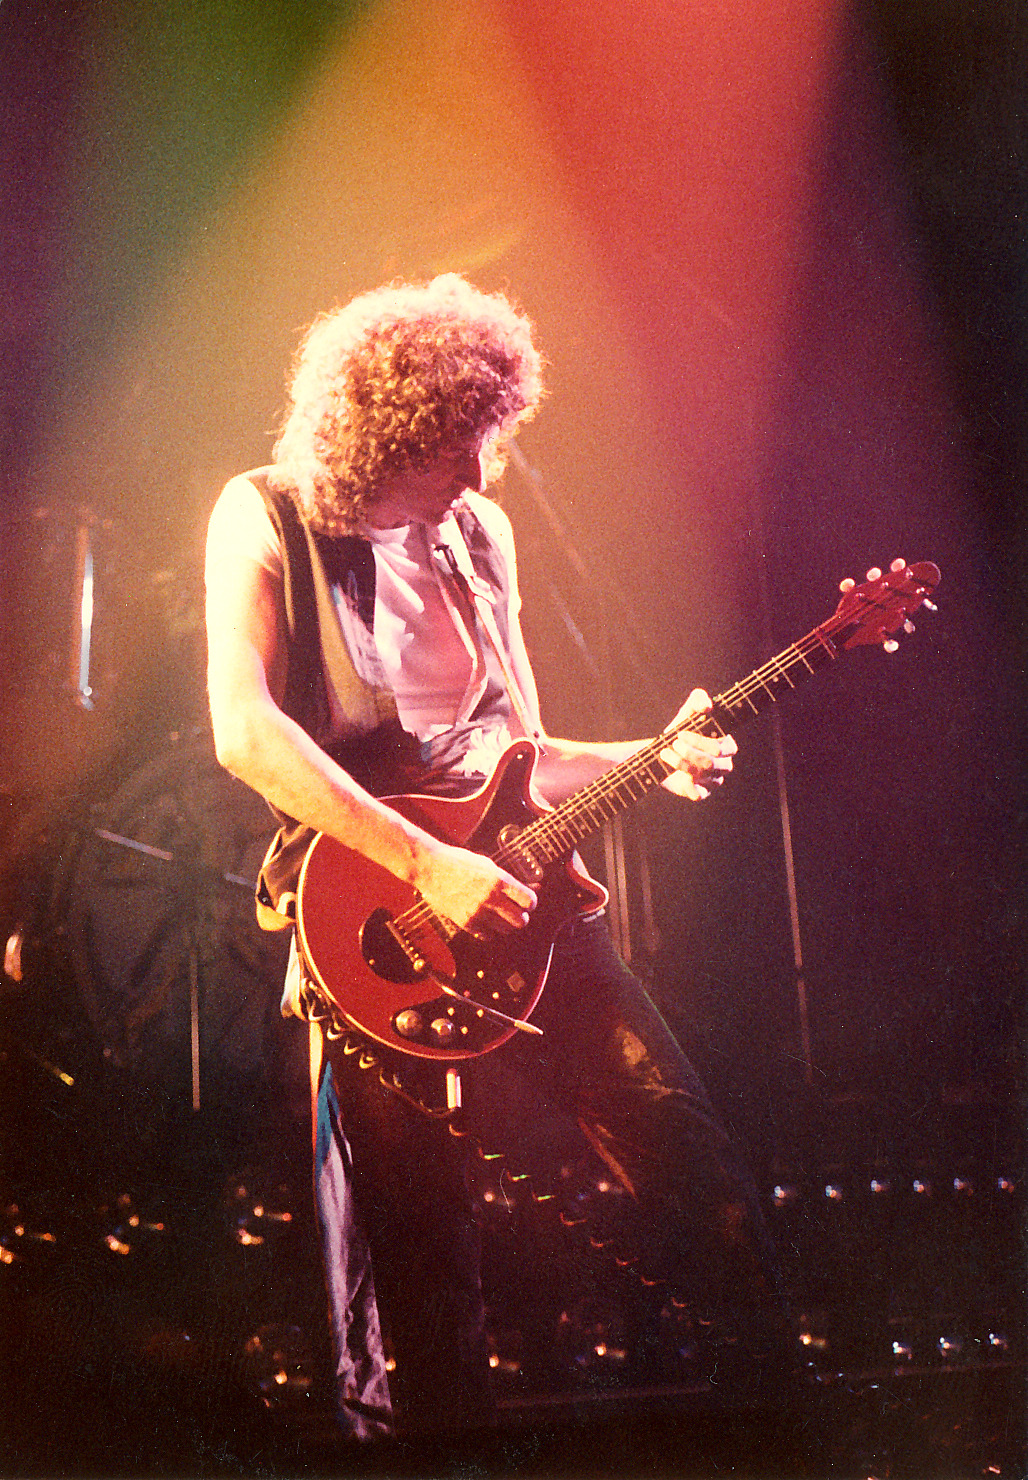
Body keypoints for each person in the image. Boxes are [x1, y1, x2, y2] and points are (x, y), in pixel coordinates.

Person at [204, 274, 790, 1440]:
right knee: (413, 1260)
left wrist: (653, 751)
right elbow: (244, 731)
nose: (481, 473)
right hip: (372, 923)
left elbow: (521, 757)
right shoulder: (265, 514)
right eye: (456, 446)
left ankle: (782, 1430)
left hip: (520, 906)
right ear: (387, 434)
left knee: (692, 1169)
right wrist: (427, 865)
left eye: (491, 439)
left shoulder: (479, 534)